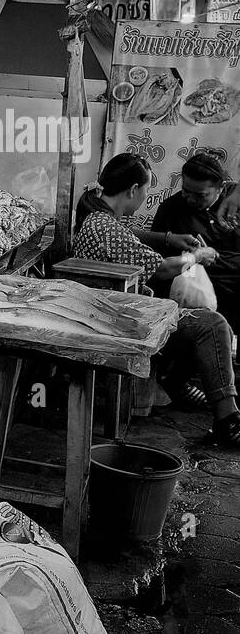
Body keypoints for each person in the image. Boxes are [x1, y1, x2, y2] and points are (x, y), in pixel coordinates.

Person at [72, 152, 240, 447]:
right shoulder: (105, 227)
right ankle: (228, 419)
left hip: (114, 311)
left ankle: (222, 411)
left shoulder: (99, 218)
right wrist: (197, 255)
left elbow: (129, 235)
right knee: (212, 325)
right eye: (147, 188)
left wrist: (168, 239)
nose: (147, 194)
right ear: (134, 189)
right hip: (122, 323)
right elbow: (162, 268)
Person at [152, 151, 240, 336]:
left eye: (200, 195)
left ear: (220, 188)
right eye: (186, 191)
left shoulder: (234, 203)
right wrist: (193, 257)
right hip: (198, 293)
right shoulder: (170, 210)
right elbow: (158, 264)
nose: (190, 199)